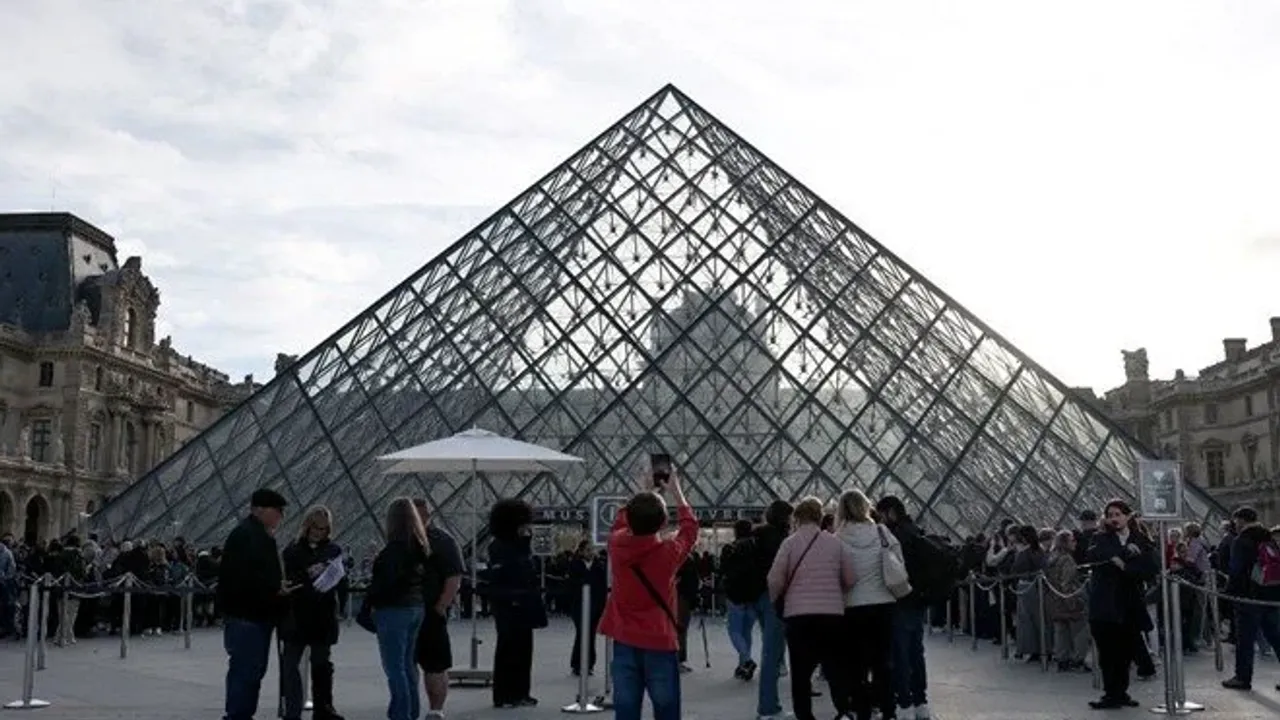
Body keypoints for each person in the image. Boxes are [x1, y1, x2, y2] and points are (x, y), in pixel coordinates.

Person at [598, 467, 698, 720]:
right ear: (663, 522)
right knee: (666, 709)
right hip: (659, 639)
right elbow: (690, 530)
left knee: (626, 709)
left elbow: (621, 521)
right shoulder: (669, 553)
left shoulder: (616, 544)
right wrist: (677, 492)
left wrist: (642, 493)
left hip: (624, 636)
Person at [769, 496, 855, 720]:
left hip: (798, 616)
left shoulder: (789, 543)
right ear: (820, 517)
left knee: (800, 671)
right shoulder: (836, 543)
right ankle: (843, 710)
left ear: (797, 517)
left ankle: (805, 715)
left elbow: (774, 579)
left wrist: (777, 599)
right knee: (835, 667)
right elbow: (850, 578)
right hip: (831, 615)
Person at [217, 488, 292, 720]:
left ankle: (240, 715)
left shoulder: (251, 533)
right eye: (277, 510)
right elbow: (246, 578)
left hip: (251, 615)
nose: (281, 515)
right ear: (259, 509)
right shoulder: (250, 536)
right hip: (249, 616)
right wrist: (276, 588)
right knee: (247, 672)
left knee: (250, 671)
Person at [1085, 499, 1156, 710]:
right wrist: (1126, 554)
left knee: (1125, 653)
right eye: (1110, 515)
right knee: (1108, 652)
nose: (1113, 519)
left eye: (1117, 514)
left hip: (1129, 604)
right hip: (1105, 604)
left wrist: (1123, 566)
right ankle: (1111, 693)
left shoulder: (1141, 539)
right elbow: (1096, 557)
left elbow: (1148, 569)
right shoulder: (1100, 538)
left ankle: (1121, 692)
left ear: (1127, 516)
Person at [835, 489, 898, 720]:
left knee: (856, 665)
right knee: (884, 662)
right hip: (883, 604)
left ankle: (863, 711)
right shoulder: (882, 532)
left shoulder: (837, 539)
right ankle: (888, 710)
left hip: (852, 607)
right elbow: (897, 561)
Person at [280, 505, 345, 720]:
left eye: (324, 528)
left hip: (322, 617)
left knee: (321, 665)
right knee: (290, 665)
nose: (319, 532)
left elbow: (339, 582)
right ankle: (292, 711)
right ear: (307, 525)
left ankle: (323, 709)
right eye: (316, 527)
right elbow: (293, 579)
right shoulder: (292, 551)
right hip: (297, 616)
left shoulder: (334, 551)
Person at [368, 498, 430, 720]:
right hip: (416, 608)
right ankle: (411, 712)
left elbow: (384, 586)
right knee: (408, 665)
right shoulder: (420, 547)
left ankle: (401, 714)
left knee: (395, 668)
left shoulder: (392, 552)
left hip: (393, 611)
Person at [875, 495, 933, 720]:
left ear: (890, 512)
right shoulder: (917, 531)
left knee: (899, 655)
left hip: (899, 600)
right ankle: (921, 702)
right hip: (917, 601)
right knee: (916, 653)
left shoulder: (894, 536)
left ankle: (905, 703)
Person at [486, 498, 547, 709]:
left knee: (523, 648)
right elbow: (508, 573)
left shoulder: (518, 545)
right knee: (508, 648)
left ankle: (521, 692)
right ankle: (504, 694)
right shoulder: (500, 547)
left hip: (521, 602)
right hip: (508, 603)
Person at [411, 499, 464, 720]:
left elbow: (454, 576)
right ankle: (411, 707)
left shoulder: (443, 541)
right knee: (407, 664)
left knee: (435, 665)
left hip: (430, 610)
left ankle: (436, 709)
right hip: (406, 610)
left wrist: (441, 605)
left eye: (421, 515)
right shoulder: (402, 539)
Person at [1221, 506, 1280, 691]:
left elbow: (1236, 569)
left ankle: (1242, 677)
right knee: (1276, 637)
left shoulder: (1242, 540)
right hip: (1270, 594)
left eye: (1236, 520)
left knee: (1245, 639)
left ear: (1241, 520)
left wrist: (1229, 593)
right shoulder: (1269, 537)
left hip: (1248, 596)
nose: (1235, 524)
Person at [751, 500, 795, 720]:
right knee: (772, 653)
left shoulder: (756, 536)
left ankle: (769, 705)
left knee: (770, 651)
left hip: (757, 597)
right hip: (774, 599)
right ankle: (768, 707)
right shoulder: (782, 541)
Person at [720, 518, 760, 680]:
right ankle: (743, 665)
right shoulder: (757, 548)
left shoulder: (730, 548)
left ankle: (747, 660)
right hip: (753, 595)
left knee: (734, 630)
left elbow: (723, 569)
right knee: (746, 631)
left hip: (735, 595)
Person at [1045, 530, 1089, 673]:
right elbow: (1067, 582)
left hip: (1055, 599)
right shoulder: (1067, 560)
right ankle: (1078, 660)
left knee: (1061, 631)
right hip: (1068, 598)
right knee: (1080, 631)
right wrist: (1073, 601)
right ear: (1066, 543)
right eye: (1072, 540)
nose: (1075, 543)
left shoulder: (1052, 558)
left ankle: (1062, 659)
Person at [567, 539, 607, 676]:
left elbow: (602, 585)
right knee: (582, 633)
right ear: (581, 551)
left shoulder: (599, 565)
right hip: (579, 605)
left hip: (595, 605)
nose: (591, 552)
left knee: (590, 635)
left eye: (592, 550)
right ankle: (577, 663)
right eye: (588, 550)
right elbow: (572, 584)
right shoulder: (575, 564)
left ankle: (589, 663)